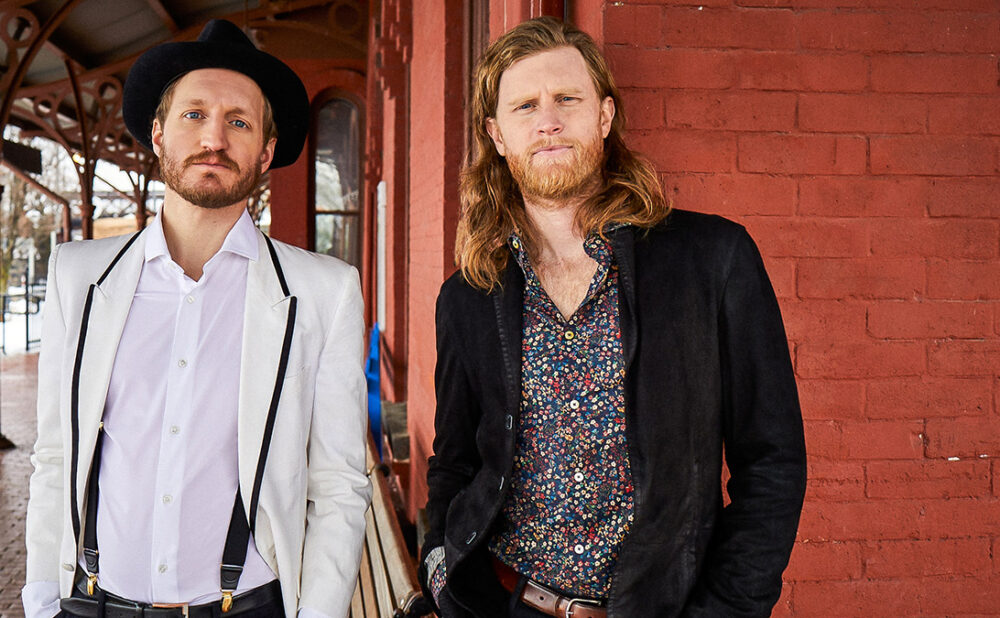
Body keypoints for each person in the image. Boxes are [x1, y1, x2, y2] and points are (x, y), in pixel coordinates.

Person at [421, 17, 807, 618]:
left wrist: (728, 607)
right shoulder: (469, 296)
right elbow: (454, 462)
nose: (547, 120)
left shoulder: (713, 261)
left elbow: (773, 459)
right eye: (525, 106)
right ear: (497, 136)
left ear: (603, 117)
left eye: (566, 99)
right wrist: (438, 566)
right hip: (505, 601)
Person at [22, 19, 370, 618]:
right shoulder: (78, 277)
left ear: (265, 152)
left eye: (239, 121)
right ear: (158, 134)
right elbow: (56, 454)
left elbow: (339, 485)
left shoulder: (323, 292)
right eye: (193, 115)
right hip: (91, 603)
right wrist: (40, 602)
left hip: (247, 606)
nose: (215, 137)